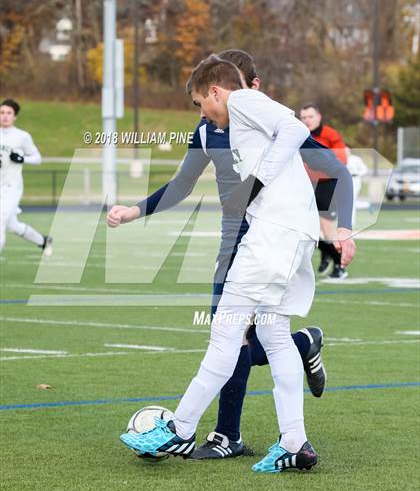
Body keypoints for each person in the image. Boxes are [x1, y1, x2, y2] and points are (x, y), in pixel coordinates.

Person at [109, 49, 355, 461]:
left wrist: (258, 183)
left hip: (271, 236)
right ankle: (294, 443)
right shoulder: (222, 125)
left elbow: (295, 131)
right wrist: (136, 211)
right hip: (287, 235)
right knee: (274, 337)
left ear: (217, 91)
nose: (201, 113)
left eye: (199, 102)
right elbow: (184, 183)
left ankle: (180, 429)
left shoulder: (241, 101)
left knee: (226, 333)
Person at [300, 104, 348, 279]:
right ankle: (326, 251)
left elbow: (342, 159)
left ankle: (340, 265)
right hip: (306, 185)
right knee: (304, 227)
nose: (307, 121)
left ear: (318, 117)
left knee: (328, 230)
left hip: (327, 184)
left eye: (310, 117)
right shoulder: (299, 134)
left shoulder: (330, 134)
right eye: (303, 117)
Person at [0, 99, 52, 255]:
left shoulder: (22, 136)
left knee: (0, 220)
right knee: (12, 226)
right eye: (2, 113)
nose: (5, 116)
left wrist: (22, 159)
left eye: (9, 113)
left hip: (12, 187)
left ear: (15, 116)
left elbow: (37, 158)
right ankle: (44, 241)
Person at [345, 145, 368, 226]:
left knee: (352, 199)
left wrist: (357, 173)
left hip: (355, 180)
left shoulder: (356, 159)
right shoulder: (339, 158)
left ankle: (351, 221)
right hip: (344, 181)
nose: (345, 151)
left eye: (346, 149)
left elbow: (364, 169)